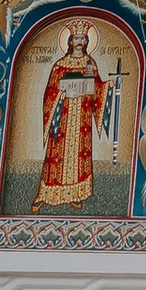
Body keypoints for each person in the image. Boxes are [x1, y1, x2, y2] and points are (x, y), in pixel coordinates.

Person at [36, 22, 112, 209]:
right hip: (62, 116)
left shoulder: (90, 64)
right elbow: (50, 92)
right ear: (70, 41)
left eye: (83, 38)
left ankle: (76, 193)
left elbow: (96, 90)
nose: (80, 41)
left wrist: (108, 86)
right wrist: (62, 94)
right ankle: (46, 193)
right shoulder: (60, 65)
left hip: (81, 117)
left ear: (86, 41)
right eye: (76, 38)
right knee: (56, 153)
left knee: (79, 154)